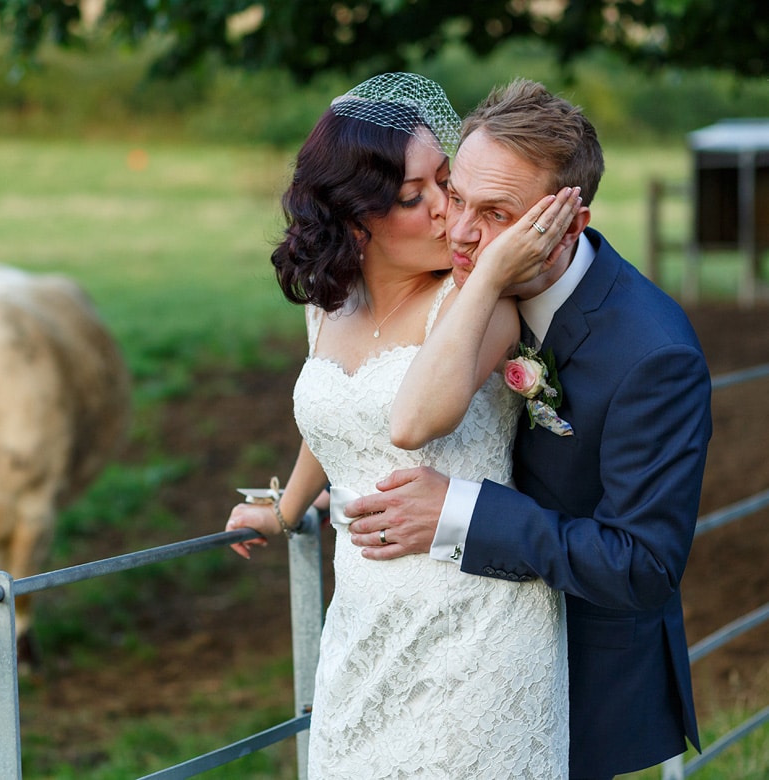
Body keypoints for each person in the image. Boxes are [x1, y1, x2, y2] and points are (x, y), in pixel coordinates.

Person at [344, 79, 712, 780]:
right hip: (438, 657)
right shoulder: (456, 287)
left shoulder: (652, 355)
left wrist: (457, 512)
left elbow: (643, 564)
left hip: (575, 687)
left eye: (496, 213)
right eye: (457, 196)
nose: (458, 230)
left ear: (568, 226)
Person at [224, 72, 581, 778]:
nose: (451, 213)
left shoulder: (482, 303)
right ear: (358, 220)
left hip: (476, 621)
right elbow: (334, 419)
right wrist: (285, 508)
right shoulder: (329, 306)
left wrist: (482, 278)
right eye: (418, 198)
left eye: (446, 184)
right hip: (364, 618)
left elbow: (419, 417)